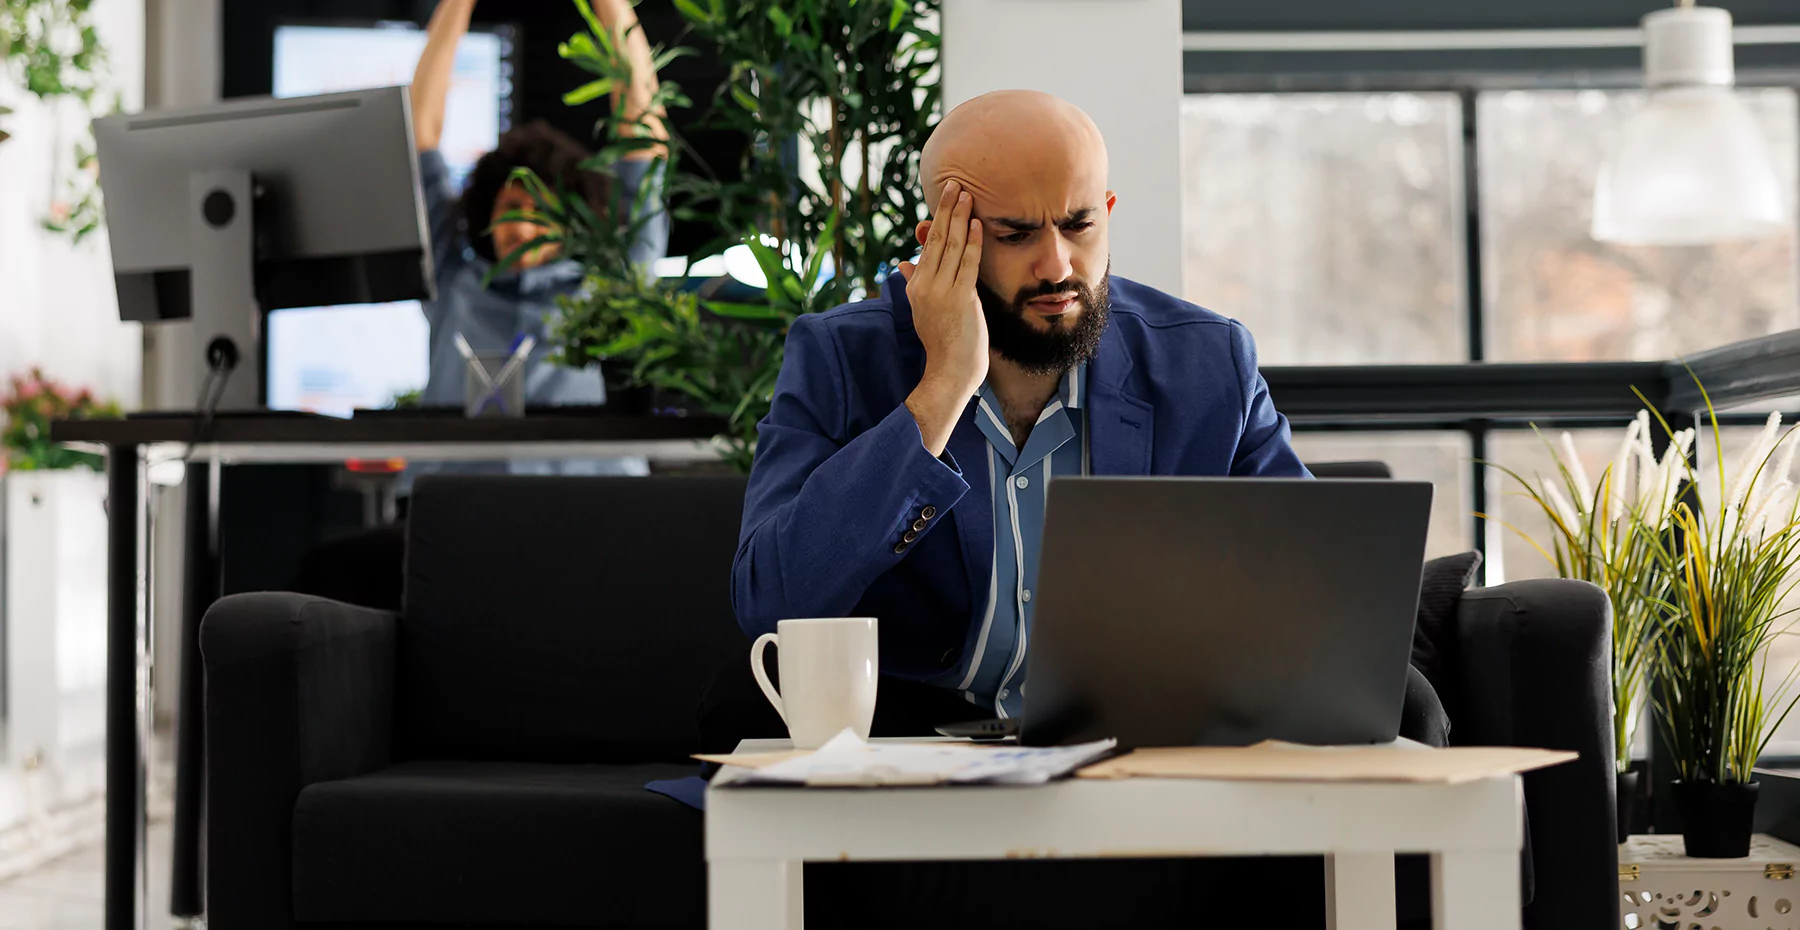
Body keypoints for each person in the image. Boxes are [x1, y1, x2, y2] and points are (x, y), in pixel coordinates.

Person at [701, 89, 1459, 930]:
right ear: (940, 241)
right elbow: (772, 597)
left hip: (1150, 733)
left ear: (1108, 213)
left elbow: (1317, 595)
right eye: (1016, 234)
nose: (1057, 266)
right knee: (748, 722)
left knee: (1405, 703)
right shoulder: (843, 357)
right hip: (920, 731)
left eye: (1077, 225)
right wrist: (941, 389)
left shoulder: (1207, 362)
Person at [409, 0, 667, 476]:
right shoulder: (450, 281)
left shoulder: (611, 286)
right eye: (510, 208)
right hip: (452, 508)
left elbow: (645, 142)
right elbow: (418, 136)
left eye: (543, 212)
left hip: (591, 508)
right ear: (485, 215)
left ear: (572, 223)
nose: (522, 228)